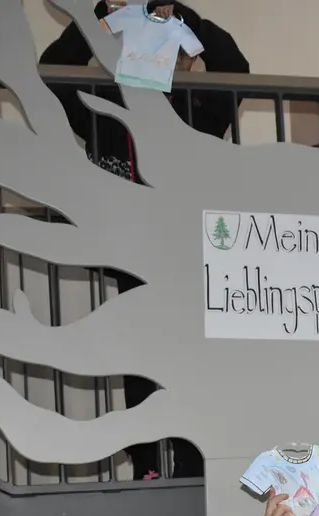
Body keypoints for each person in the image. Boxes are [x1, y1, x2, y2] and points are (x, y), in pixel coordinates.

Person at [39, 0, 249, 481]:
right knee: (139, 362)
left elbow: (236, 66)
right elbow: (52, 71)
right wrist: (101, 16)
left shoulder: (198, 108)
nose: (162, 57)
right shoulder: (102, 110)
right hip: (133, 256)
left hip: (189, 261)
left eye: (175, 50)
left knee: (192, 365)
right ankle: (150, 465)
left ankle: (194, 467)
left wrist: (179, 14)